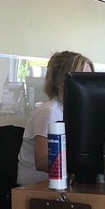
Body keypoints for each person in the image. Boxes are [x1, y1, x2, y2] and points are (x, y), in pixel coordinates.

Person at [16, 50, 93, 185]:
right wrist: (83, 168)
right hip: (37, 187)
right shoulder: (49, 112)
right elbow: (42, 161)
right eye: (83, 79)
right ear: (65, 81)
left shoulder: (74, 112)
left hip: (63, 184)